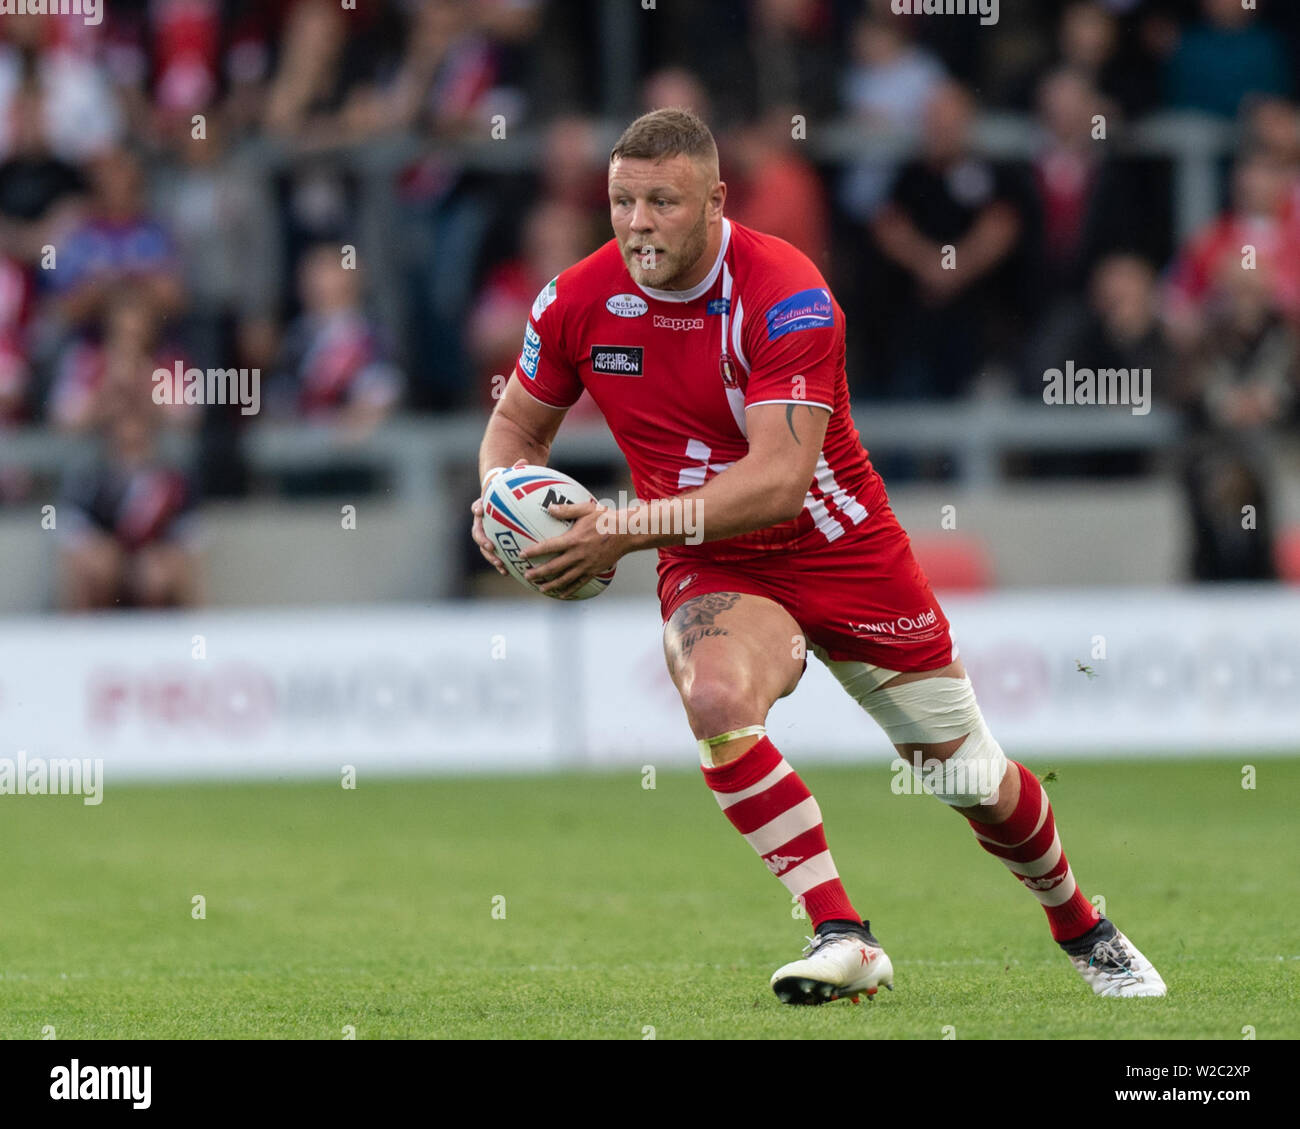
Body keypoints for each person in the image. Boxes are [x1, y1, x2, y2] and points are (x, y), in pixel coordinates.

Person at [470, 108, 1165, 1004]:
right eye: (622, 202)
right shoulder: (574, 300)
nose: (638, 223)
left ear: (717, 200)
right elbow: (515, 430)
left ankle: (1080, 922)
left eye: (663, 202)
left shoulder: (785, 290)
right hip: (711, 558)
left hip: (839, 545)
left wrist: (621, 525)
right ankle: (841, 930)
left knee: (969, 777)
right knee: (716, 696)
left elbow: (778, 484)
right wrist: (498, 501)